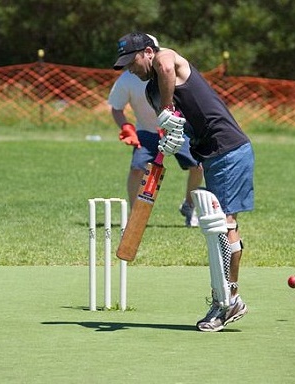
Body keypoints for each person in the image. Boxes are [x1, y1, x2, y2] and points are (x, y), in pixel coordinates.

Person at [113, 32, 255, 332]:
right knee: (221, 228)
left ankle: (228, 301)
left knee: (223, 227)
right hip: (212, 155)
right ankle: (228, 298)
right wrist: (170, 141)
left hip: (229, 149)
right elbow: (178, 127)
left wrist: (164, 111)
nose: (130, 69)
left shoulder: (167, 58)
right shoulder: (152, 90)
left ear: (148, 52)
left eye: (133, 61)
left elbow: (165, 69)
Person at [108, 35, 202, 227]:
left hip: (178, 129)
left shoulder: (170, 69)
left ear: (151, 52)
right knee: (136, 170)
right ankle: (135, 215)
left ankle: (189, 206)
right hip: (147, 131)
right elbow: (116, 107)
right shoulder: (127, 79)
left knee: (198, 167)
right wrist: (127, 127)